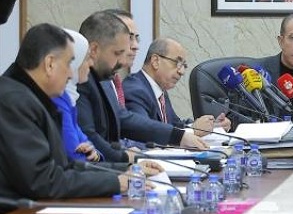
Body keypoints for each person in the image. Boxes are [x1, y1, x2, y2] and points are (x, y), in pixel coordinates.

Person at [0, 24, 128, 213]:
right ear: (50, 64)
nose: (70, 73)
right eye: (68, 64)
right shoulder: (14, 102)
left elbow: (63, 165)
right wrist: (114, 182)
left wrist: (124, 171)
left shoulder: (31, 95)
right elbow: (42, 181)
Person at [76, 11, 206, 163]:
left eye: (134, 38)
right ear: (94, 49)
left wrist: (178, 136)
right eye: (117, 52)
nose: (134, 47)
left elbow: (122, 119)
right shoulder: (82, 80)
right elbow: (89, 137)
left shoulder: (104, 79)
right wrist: (126, 157)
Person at [124, 38, 232, 133]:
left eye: (184, 65)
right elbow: (144, 133)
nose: (182, 71)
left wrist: (212, 126)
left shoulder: (160, 91)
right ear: (155, 61)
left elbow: (175, 125)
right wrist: (193, 131)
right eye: (177, 63)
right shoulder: (135, 90)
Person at [51, 29, 100, 162]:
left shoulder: (68, 96)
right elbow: (74, 154)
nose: (91, 63)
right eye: (87, 58)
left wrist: (96, 155)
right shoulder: (57, 97)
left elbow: (87, 144)